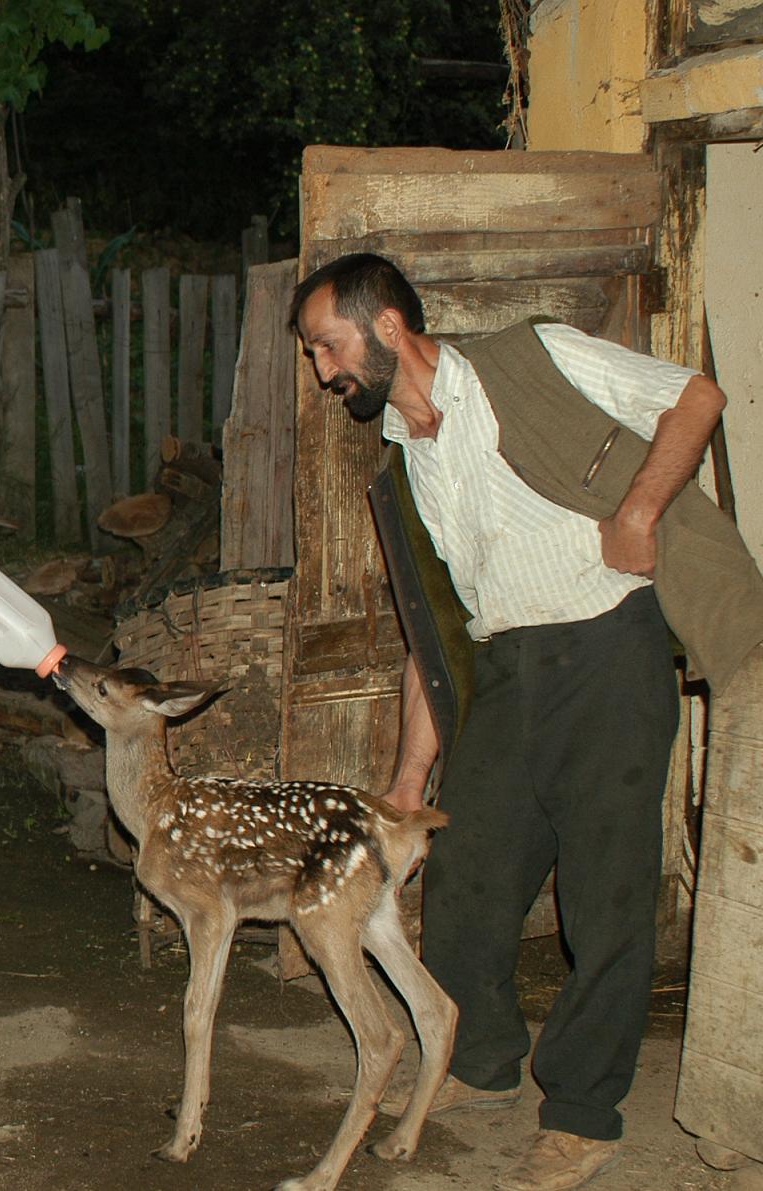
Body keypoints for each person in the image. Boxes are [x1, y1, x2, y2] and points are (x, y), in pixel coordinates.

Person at [290, 252, 763, 1191]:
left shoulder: (532, 357)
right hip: (506, 669)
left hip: (608, 650)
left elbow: (698, 397)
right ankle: (480, 1061)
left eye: (326, 345)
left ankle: (583, 1113)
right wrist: (407, 781)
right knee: (469, 875)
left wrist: (639, 508)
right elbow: (441, 629)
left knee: (607, 893)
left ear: (386, 327)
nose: (322, 371)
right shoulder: (408, 459)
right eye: (314, 355)